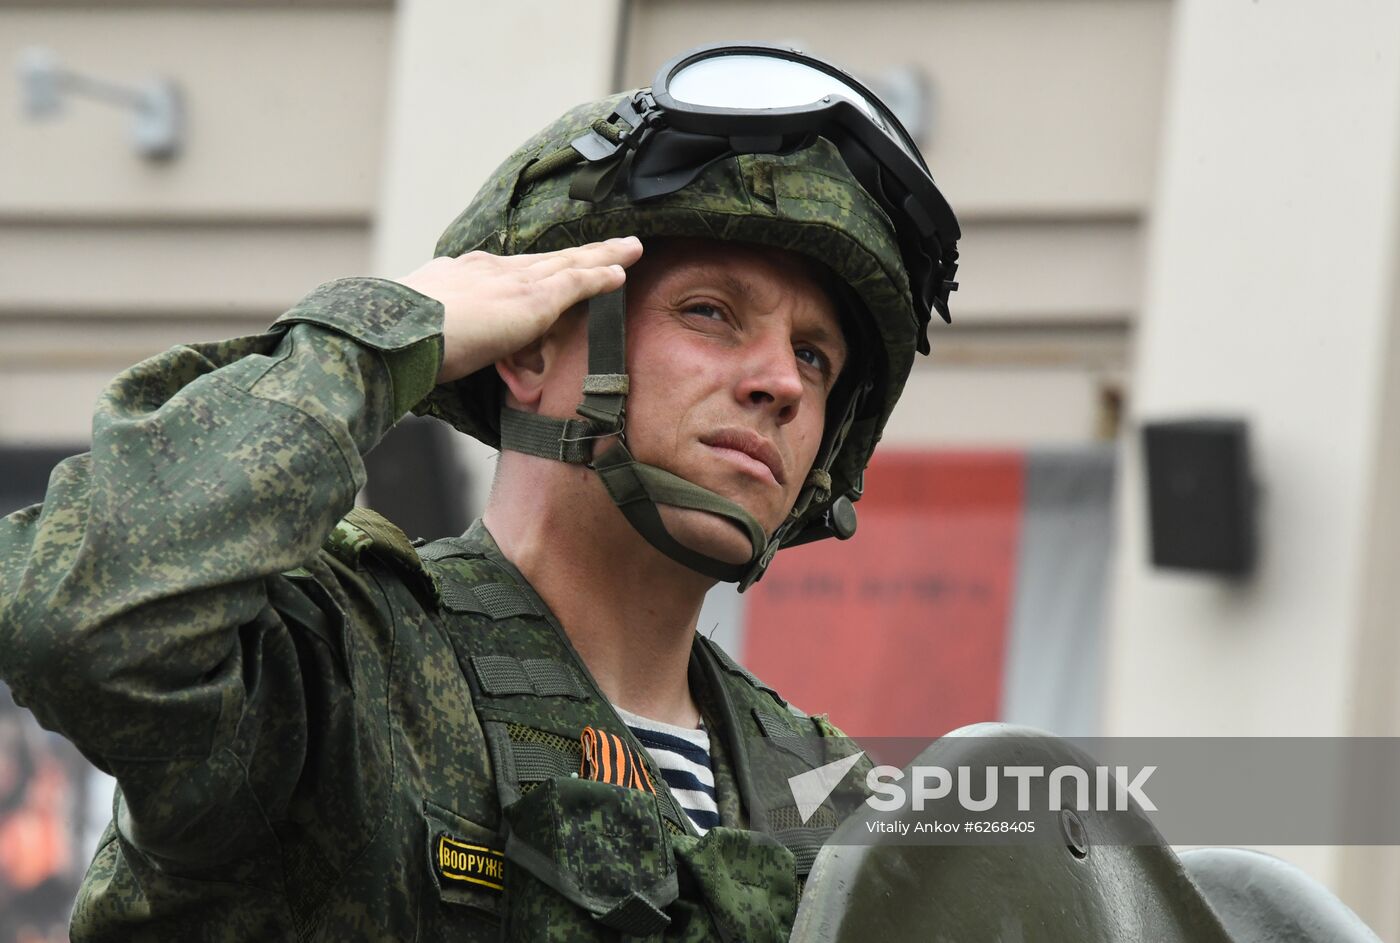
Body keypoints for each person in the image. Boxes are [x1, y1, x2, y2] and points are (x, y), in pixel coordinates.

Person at [0, 43, 959, 941]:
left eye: (815, 356)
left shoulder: (827, 797)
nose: (782, 384)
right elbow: (83, 621)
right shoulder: (340, 667)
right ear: (529, 348)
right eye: (709, 313)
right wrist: (385, 335)